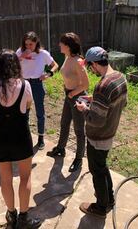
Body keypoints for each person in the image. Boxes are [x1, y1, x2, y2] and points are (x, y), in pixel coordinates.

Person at [0, 49, 41, 229]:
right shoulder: (25, 85)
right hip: (21, 135)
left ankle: (11, 215)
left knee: (5, 179)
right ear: (16, 65)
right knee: (25, 177)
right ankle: (24, 217)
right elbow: (27, 108)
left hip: (0, 138)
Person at [75, 46, 127, 219]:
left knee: (96, 170)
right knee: (102, 166)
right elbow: (120, 103)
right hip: (111, 132)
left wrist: (84, 108)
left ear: (96, 64)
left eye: (90, 67)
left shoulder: (102, 86)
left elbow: (96, 120)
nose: (91, 70)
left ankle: (101, 207)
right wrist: (95, 100)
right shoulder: (120, 78)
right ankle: (109, 199)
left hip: (99, 136)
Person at [47, 33, 89, 172]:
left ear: (68, 46)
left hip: (78, 97)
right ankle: (60, 149)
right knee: (64, 124)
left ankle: (78, 159)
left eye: (62, 43)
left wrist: (72, 93)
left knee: (78, 130)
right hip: (69, 95)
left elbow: (86, 84)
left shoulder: (78, 61)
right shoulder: (67, 57)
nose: (59, 45)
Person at [16, 31, 59, 150]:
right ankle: (25, 136)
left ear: (36, 43)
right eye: (26, 44)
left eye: (31, 44)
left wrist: (48, 74)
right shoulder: (20, 51)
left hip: (37, 84)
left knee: (40, 111)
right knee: (23, 111)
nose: (28, 47)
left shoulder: (43, 54)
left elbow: (55, 65)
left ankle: (41, 138)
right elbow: (11, 64)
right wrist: (21, 57)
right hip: (24, 83)